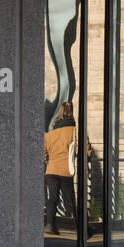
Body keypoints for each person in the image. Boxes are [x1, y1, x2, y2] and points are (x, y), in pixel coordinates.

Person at [43, 101, 82, 237]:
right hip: (66, 170)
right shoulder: (74, 131)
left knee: (52, 198)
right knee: (70, 198)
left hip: (51, 170)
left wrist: (51, 162)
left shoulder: (49, 135)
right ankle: (79, 227)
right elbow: (85, 148)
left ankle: (50, 225)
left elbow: (45, 154)